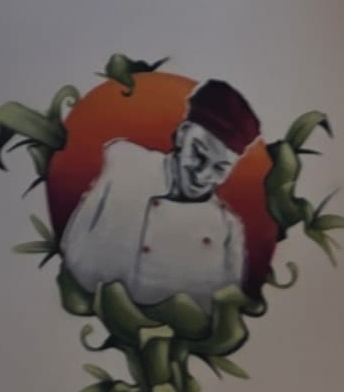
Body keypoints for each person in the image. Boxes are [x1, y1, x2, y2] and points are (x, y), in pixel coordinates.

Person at [54, 80, 258, 306]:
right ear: (182, 135)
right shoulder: (124, 165)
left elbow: (227, 307)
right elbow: (72, 245)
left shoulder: (228, 228)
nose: (203, 175)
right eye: (198, 154)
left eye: (219, 168)